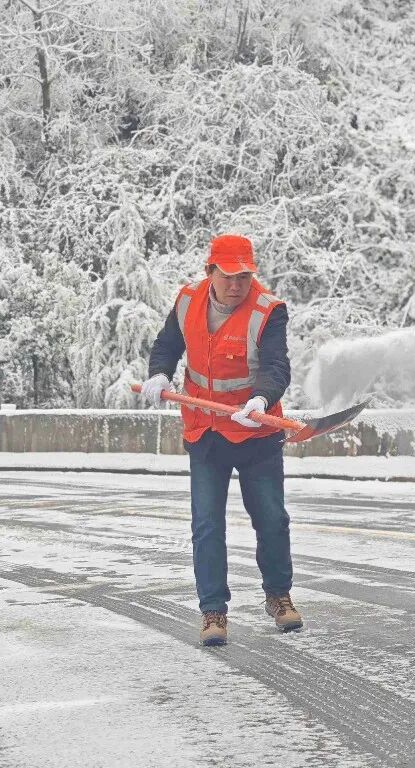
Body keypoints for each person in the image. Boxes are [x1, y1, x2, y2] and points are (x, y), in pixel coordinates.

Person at [140, 234, 301, 646]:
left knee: (271, 518)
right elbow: (168, 345)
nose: (236, 285)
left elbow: (276, 365)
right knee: (207, 524)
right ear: (209, 271)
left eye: (244, 276)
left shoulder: (268, 311)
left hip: (256, 431)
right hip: (206, 431)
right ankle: (213, 611)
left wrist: (261, 398)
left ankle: (278, 595)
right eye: (228, 276)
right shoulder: (187, 301)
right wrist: (160, 372)